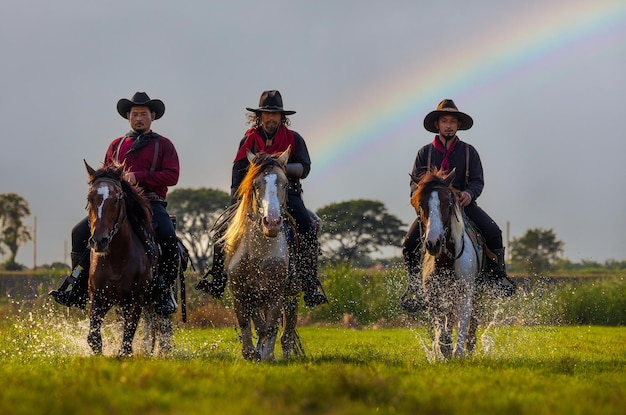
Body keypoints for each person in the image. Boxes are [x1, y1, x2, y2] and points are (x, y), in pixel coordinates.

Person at [49, 92, 181, 315]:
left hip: (151, 203)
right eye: (135, 114)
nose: (139, 118)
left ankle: (164, 290)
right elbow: (105, 177)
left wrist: (137, 176)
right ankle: (79, 288)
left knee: (168, 236)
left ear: (153, 116)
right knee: (78, 232)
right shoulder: (116, 145)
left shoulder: (164, 145)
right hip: (116, 204)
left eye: (143, 114)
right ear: (128, 117)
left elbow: (172, 176)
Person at [196, 90, 328, 307]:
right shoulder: (248, 140)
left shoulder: (294, 139)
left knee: (306, 227)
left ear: (281, 117)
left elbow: (305, 168)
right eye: (267, 113)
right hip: (252, 197)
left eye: (275, 114)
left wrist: (278, 167)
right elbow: (238, 173)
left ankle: (310, 284)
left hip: (287, 195)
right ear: (259, 116)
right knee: (220, 231)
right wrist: (234, 203)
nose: (271, 118)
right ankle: (218, 279)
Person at [401, 99, 516, 312]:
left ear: (458, 125)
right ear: (437, 124)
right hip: (434, 209)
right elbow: (413, 184)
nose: (448, 125)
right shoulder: (423, 153)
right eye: (444, 121)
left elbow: (478, 181)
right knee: (409, 243)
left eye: (452, 121)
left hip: (463, 206)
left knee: (493, 231)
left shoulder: (469, 152)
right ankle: (415, 286)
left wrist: (469, 194)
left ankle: (497, 278)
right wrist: (423, 204)